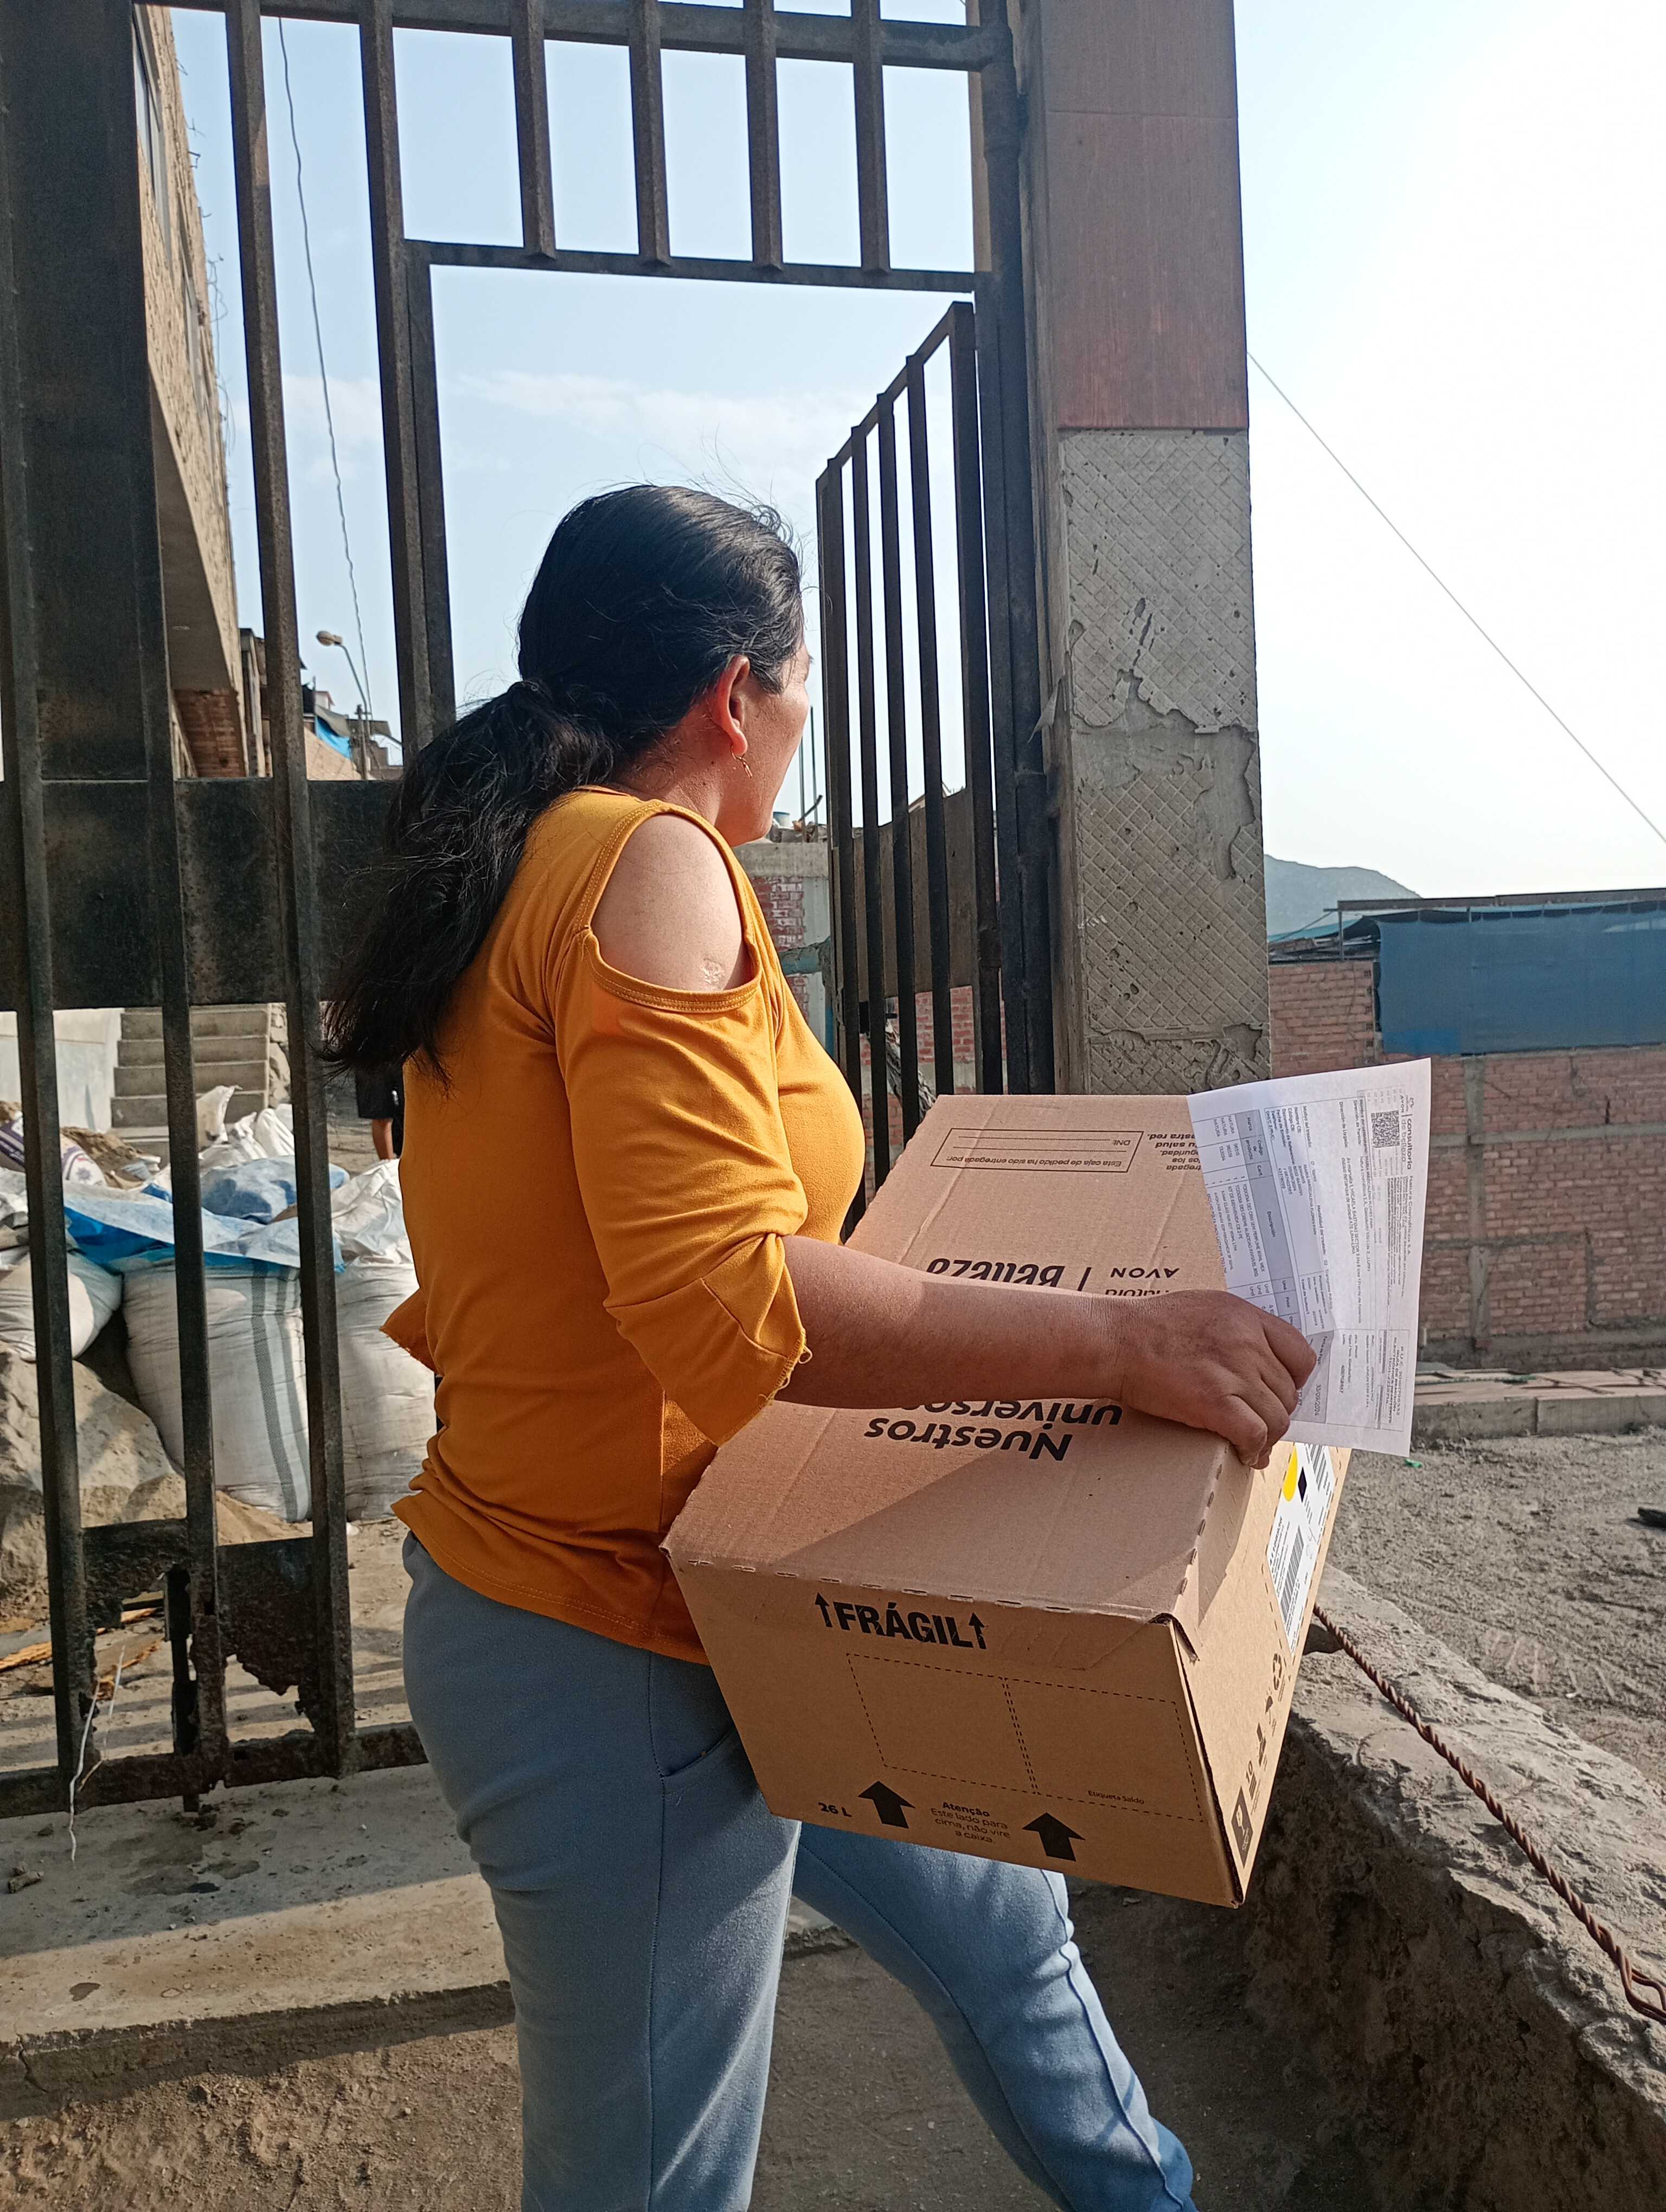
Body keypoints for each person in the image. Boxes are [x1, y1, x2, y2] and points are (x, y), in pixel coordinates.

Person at [324, 486, 1315, 2212]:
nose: (803, 733)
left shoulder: (517, 860)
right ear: (737, 696)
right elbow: (725, 1296)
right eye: (805, 692)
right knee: (648, 2186)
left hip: (744, 1593)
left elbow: (656, 1256)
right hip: (608, 1649)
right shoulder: (646, 863)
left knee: (1008, 1941)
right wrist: (1120, 1343)